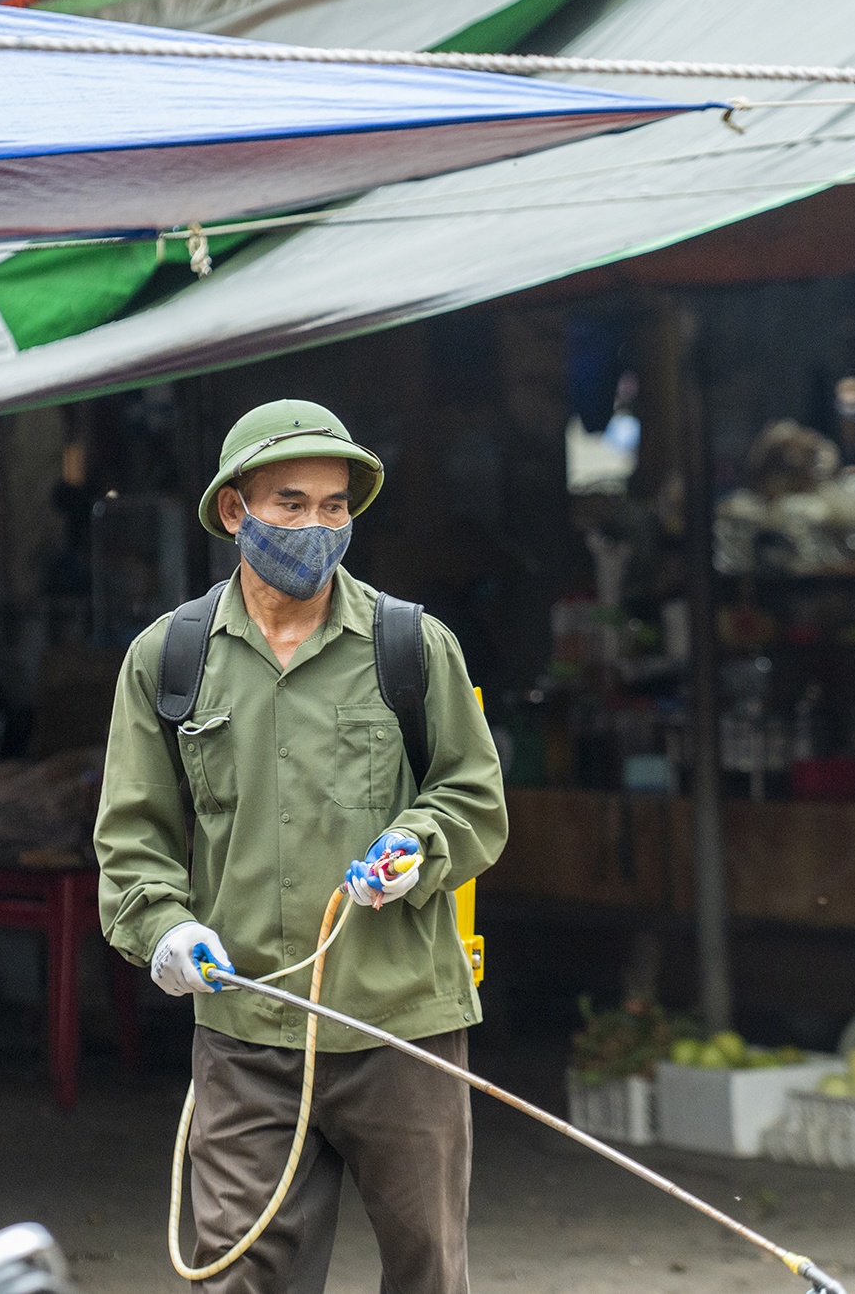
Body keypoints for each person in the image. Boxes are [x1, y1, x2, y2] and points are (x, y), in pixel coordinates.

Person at [96, 400, 507, 1294]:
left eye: (334, 505)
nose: (317, 527)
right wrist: (161, 929)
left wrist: (417, 841)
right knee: (238, 1277)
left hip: (400, 1025)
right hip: (245, 1030)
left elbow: (475, 799)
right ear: (235, 511)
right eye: (290, 503)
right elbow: (133, 839)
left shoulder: (411, 645)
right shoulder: (168, 659)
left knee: (429, 1273)